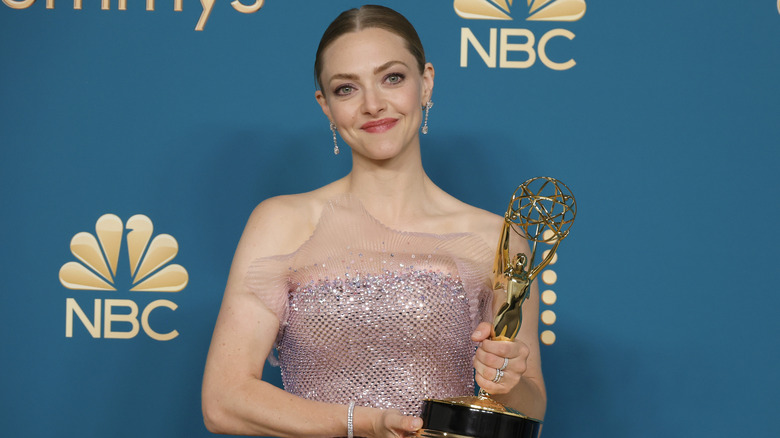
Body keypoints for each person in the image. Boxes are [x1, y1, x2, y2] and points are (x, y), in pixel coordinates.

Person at [202, 5, 545, 437]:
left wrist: (511, 384)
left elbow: (531, 403)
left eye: (393, 78)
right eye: (346, 89)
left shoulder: (498, 239)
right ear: (325, 106)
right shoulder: (282, 223)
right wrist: (360, 425)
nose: (373, 104)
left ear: (427, 83)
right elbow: (223, 401)